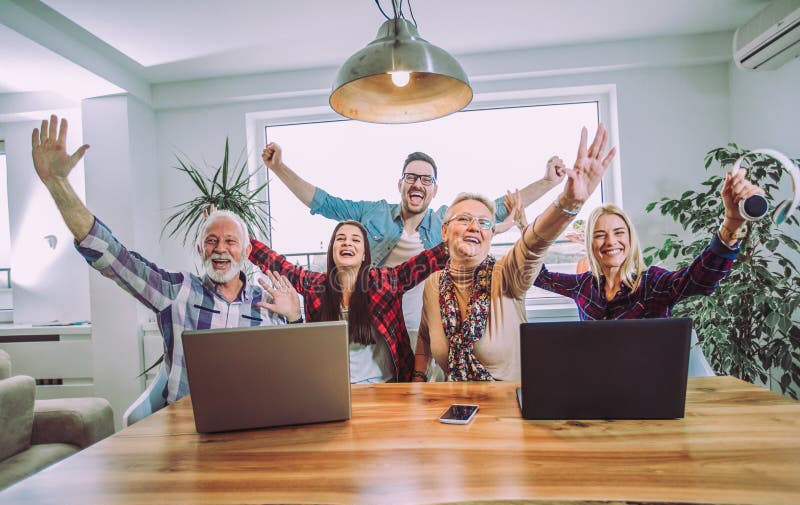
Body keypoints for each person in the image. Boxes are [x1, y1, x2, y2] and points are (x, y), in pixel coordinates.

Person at [31, 115, 301, 404]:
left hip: (255, 419)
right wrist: (58, 184)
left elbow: (298, 369)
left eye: (230, 241)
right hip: (188, 425)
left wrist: (295, 318)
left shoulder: (269, 301)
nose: (221, 248)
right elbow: (113, 256)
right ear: (200, 250)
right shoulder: (179, 291)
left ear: (247, 252)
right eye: (212, 241)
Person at [262, 144, 565, 338]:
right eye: (411, 177)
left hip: (430, 326)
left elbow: (496, 207)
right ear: (401, 184)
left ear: (434, 189)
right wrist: (278, 167)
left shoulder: (444, 222)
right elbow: (324, 202)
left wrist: (549, 182)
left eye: (426, 179)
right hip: (378, 324)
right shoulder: (373, 212)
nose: (417, 183)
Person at [413, 126, 616, 382]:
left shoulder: (507, 274)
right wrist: (418, 377)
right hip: (456, 410)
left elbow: (533, 245)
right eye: (464, 219)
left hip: (509, 411)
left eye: (484, 222)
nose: (475, 226)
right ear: (444, 231)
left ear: (490, 234)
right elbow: (424, 336)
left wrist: (568, 203)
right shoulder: (433, 285)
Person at [532, 170, 764, 319]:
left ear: (630, 239)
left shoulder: (653, 284)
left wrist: (732, 223)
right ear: (590, 244)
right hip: (596, 384)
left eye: (619, 232)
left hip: (648, 387)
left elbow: (699, 279)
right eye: (600, 235)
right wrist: (539, 225)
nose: (611, 241)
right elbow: (537, 276)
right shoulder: (582, 285)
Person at [248, 221, 449, 383]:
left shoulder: (385, 282)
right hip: (334, 388)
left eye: (355, 240)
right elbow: (279, 265)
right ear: (332, 250)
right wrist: (241, 241)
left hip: (387, 387)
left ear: (364, 255)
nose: (347, 243)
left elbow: (425, 261)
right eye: (340, 239)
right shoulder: (315, 285)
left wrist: (456, 240)